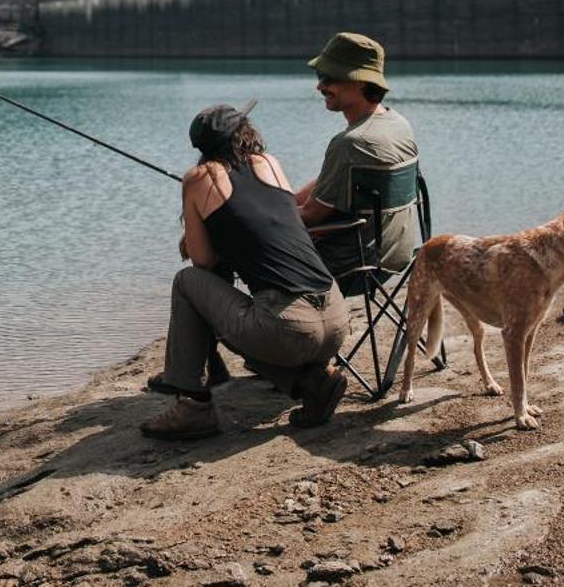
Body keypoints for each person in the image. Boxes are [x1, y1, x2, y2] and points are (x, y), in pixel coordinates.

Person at [140, 101, 350, 440]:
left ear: (200, 147)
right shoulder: (270, 163)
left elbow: (203, 263)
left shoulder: (199, 178)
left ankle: (193, 404)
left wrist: (201, 232)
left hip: (289, 329)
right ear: (245, 133)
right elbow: (269, 222)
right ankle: (314, 381)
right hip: (337, 320)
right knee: (251, 313)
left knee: (188, 282)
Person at [294, 32, 420, 273]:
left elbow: (310, 216)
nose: (320, 86)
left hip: (350, 265)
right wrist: (289, 199)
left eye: (328, 78)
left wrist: (260, 215)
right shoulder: (399, 124)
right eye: (320, 76)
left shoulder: (350, 143)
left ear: (360, 81)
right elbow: (343, 179)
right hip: (396, 257)